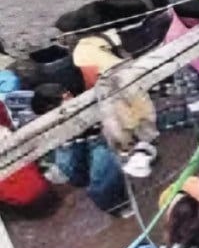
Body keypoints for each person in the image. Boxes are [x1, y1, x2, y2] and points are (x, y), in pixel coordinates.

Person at [33, 83, 130, 217]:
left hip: (97, 138)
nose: (70, 100)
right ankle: (113, 204)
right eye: (65, 98)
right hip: (71, 144)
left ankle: (118, 201)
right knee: (71, 167)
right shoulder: (47, 125)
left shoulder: (85, 104)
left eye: (68, 95)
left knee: (103, 174)